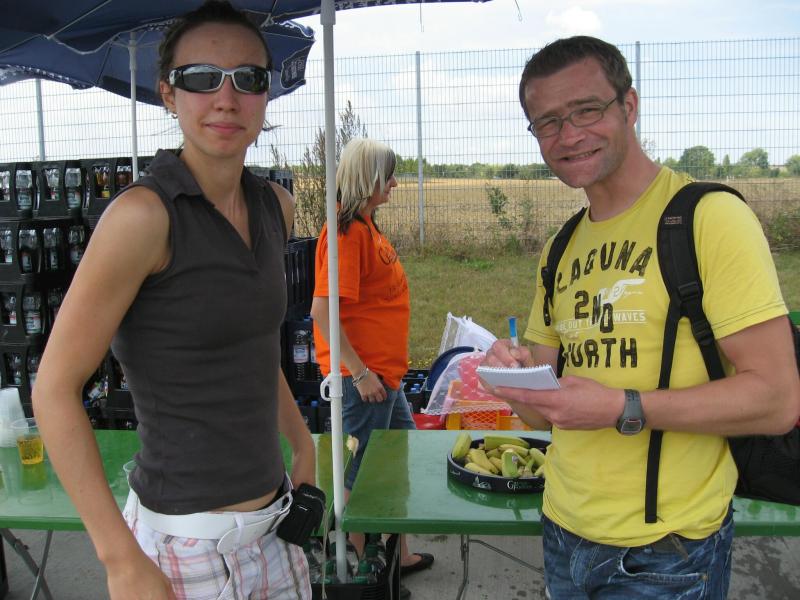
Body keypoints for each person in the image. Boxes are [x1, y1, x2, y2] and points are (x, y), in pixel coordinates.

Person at [483, 36, 800, 599]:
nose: (568, 135)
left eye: (587, 109)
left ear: (629, 105)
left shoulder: (708, 218)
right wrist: (512, 375)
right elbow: (542, 410)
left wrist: (622, 407)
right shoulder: (560, 248)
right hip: (561, 530)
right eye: (547, 122)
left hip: (667, 552)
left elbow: (776, 400)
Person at [32, 2, 315, 599]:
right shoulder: (142, 217)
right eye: (201, 78)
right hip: (184, 551)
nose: (226, 98)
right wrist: (120, 560)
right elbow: (53, 389)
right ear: (168, 93)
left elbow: (254, 352)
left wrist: (304, 445)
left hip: (276, 532)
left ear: (267, 93)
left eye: (248, 78)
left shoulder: (275, 207)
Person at [310, 138, 434, 590]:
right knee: (359, 474)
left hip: (385, 377)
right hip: (362, 380)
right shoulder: (345, 234)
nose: (395, 183)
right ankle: (363, 570)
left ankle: (400, 552)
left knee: (397, 458)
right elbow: (322, 312)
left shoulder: (365, 227)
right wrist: (360, 374)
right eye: (389, 176)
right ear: (369, 178)